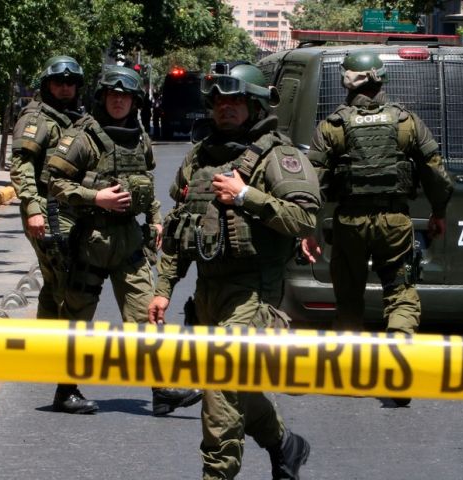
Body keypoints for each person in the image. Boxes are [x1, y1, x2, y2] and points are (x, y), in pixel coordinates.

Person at [148, 64, 318, 480]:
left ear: (256, 104)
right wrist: (163, 288)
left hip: (253, 294)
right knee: (232, 384)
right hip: (207, 293)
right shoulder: (200, 157)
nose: (226, 108)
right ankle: (285, 445)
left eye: (236, 100)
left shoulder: (278, 157)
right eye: (220, 101)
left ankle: (217, 475)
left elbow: (304, 219)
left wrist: (246, 196)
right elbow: (178, 227)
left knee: (220, 389)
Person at [46, 65, 202, 416]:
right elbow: (54, 183)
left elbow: (144, 183)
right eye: (113, 95)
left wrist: (157, 219)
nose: (119, 101)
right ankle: (65, 391)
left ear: (134, 101)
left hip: (129, 240)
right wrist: (95, 198)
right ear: (103, 97)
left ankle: (162, 390)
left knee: (147, 316)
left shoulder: (140, 136)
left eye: (126, 96)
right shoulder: (83, 137)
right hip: (91, 240)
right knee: (76, 320)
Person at [301, 51, 453, 336]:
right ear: (381, 78)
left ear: (346, 81)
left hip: (349, 224)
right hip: (394, 223)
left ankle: (350, 365)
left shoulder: (332, 126)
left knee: (348, 302)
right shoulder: (406, 122)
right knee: (401, 294)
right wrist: (439, 212)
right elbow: (435, 172)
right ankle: (399, 351)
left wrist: (307, 228)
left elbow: (313, 183)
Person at [9, 55, 97, 414]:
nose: (65, 87)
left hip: (71, 213)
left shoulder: (72, 118)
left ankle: (42, 354)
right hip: (49, 214)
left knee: (54, 286)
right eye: (59, 82)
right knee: (68, 292)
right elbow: (22, 166)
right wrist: (32, 208)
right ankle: (66, 386)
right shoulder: (38, 118)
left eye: (71, 82)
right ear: (47, 84)